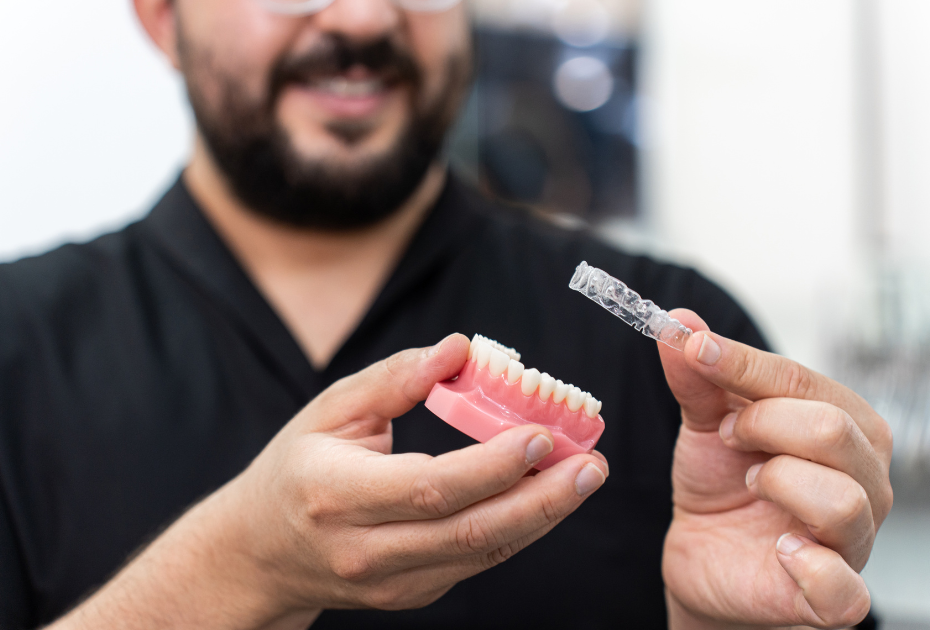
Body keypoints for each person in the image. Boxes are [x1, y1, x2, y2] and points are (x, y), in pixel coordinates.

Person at [0, 0, 892, 628]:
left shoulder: (678, 360)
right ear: (162, 16)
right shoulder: (17, 345)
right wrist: (236, 573)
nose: (363, 18)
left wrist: (724, 629)